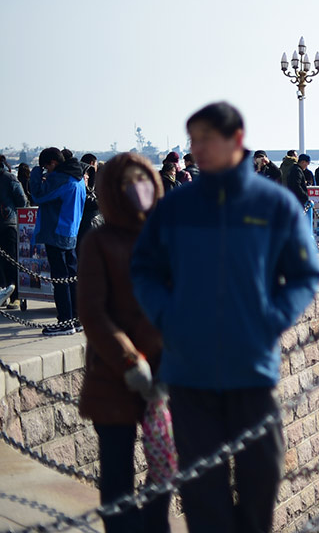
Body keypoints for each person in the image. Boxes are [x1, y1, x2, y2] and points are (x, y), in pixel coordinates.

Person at [131, 102, 319, 533]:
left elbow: (306, 273)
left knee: (261, 476)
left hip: (251, 367)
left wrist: (272, 318)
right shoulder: (176, 207)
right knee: (201, 491)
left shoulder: (273, 205)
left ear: (236, 140)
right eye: (191, 140)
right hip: (189, 371)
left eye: (204, 139)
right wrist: (167, 315)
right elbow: (143, 269)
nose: (195, 149)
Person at [77, 152, 171, 533]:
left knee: (165, 461)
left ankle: (154, 524)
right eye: (129, 182)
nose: (139, 189)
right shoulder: (98, 241)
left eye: (144, 179)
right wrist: (131, 360)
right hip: (113, 371)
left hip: (166, 368)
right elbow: (93, 313)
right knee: (117, 466)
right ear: (112, 191)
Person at [30, 147, 86, 334]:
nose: (47, 171)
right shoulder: (78, 178)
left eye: (46, 167)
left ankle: (64, 322)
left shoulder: (60, 178)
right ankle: (76, 319)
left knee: (60, 280)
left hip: (56, 233)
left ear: (53, 162)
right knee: (71, 278)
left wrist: (36, 173)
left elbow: (38, 195)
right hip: (71, 232)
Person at [0, 156, 28, 308]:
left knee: (11, 261)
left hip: (8, 225)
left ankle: (15, 296)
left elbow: (22, 201)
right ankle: (3, 293)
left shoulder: (9, 178)